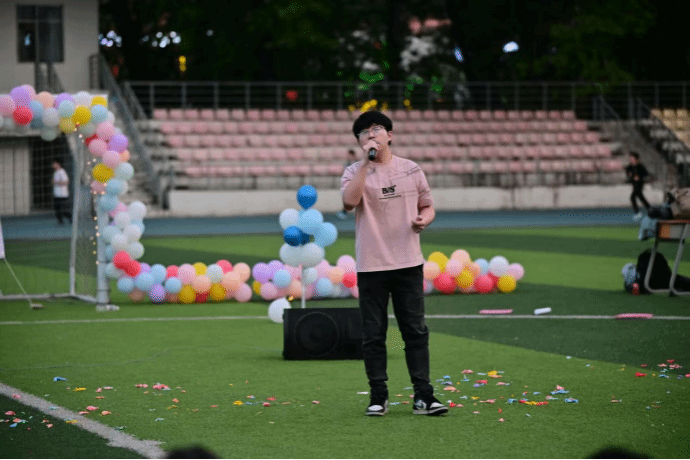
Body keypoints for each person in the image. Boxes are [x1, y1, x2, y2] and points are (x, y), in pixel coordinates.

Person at [340, 110, 447, 417]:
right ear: (359, 142)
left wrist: (423, 220)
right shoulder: (353, 172)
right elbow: (349, 202)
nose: (370, 135)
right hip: (371, 266)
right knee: (374, 335)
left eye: (376, 129)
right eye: (363, 133)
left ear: (390, 135)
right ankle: (378, 396)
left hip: (408, 263)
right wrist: (366, 163)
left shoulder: (411, 169)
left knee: (414, 331)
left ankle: (424, 396)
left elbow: (428, 206)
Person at [625, 152, 650, 221]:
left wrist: (639, 177)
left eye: (632, 158)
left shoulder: (640, 166)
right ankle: (650, 210)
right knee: (641, 197)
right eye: (630, 158)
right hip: (634, 184)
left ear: (636, 159)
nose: (630, 159)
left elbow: (646, 174)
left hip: (639, 184)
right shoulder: (629, 167)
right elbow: (628, 174)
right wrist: (630, 176)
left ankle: (637, 213)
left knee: (632, 197)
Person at [336, 149, 357, 219]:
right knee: (348, 199)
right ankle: (344, 212)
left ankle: (344, 212)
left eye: (349, 155)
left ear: (352, 155)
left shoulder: (357, 164)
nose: (347, 156)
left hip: (355, 184)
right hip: (349, 184)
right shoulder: (347, 164)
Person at [51, 160, 72, 225]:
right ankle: (60, 221)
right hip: (56, 194)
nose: (53, 165)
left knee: (63, 209)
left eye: (54, 164)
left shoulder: (62, 172)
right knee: (57, 208)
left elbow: (66, 182)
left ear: (58, 164)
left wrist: (56, 182)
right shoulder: (56, 172)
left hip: (62, 194)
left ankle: (70, 217)